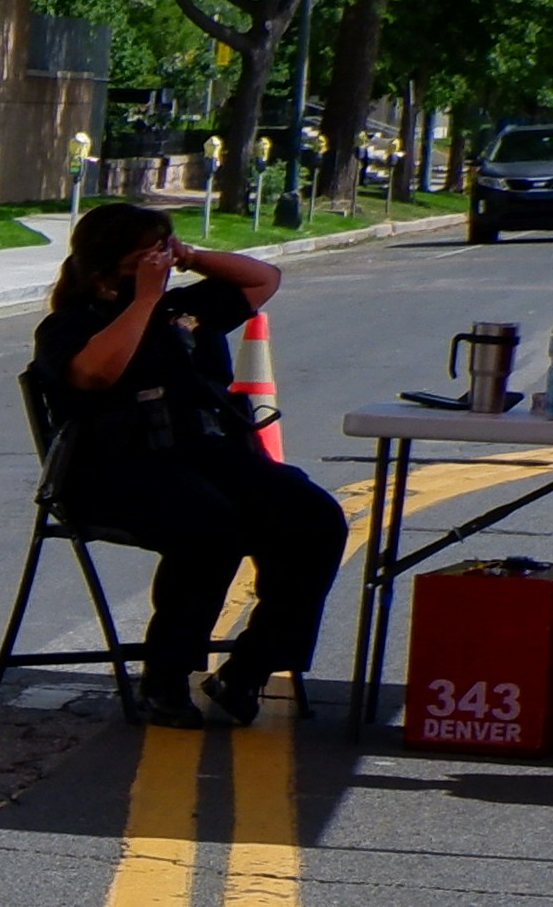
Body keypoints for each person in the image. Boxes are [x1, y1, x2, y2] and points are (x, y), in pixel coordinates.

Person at [22, 201, 348, 726]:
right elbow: (95, 377)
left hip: (209, 455)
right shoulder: (70, 326)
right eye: (143, 256)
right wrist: (144, 299)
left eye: (161, 251)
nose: (157, 264)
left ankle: (248, 670)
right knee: (210, 524)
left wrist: (190, 255)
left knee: (312, 517)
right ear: (107, 269)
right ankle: (165, 676)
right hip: (116, 470)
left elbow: (264, 279)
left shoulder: (185, 309)